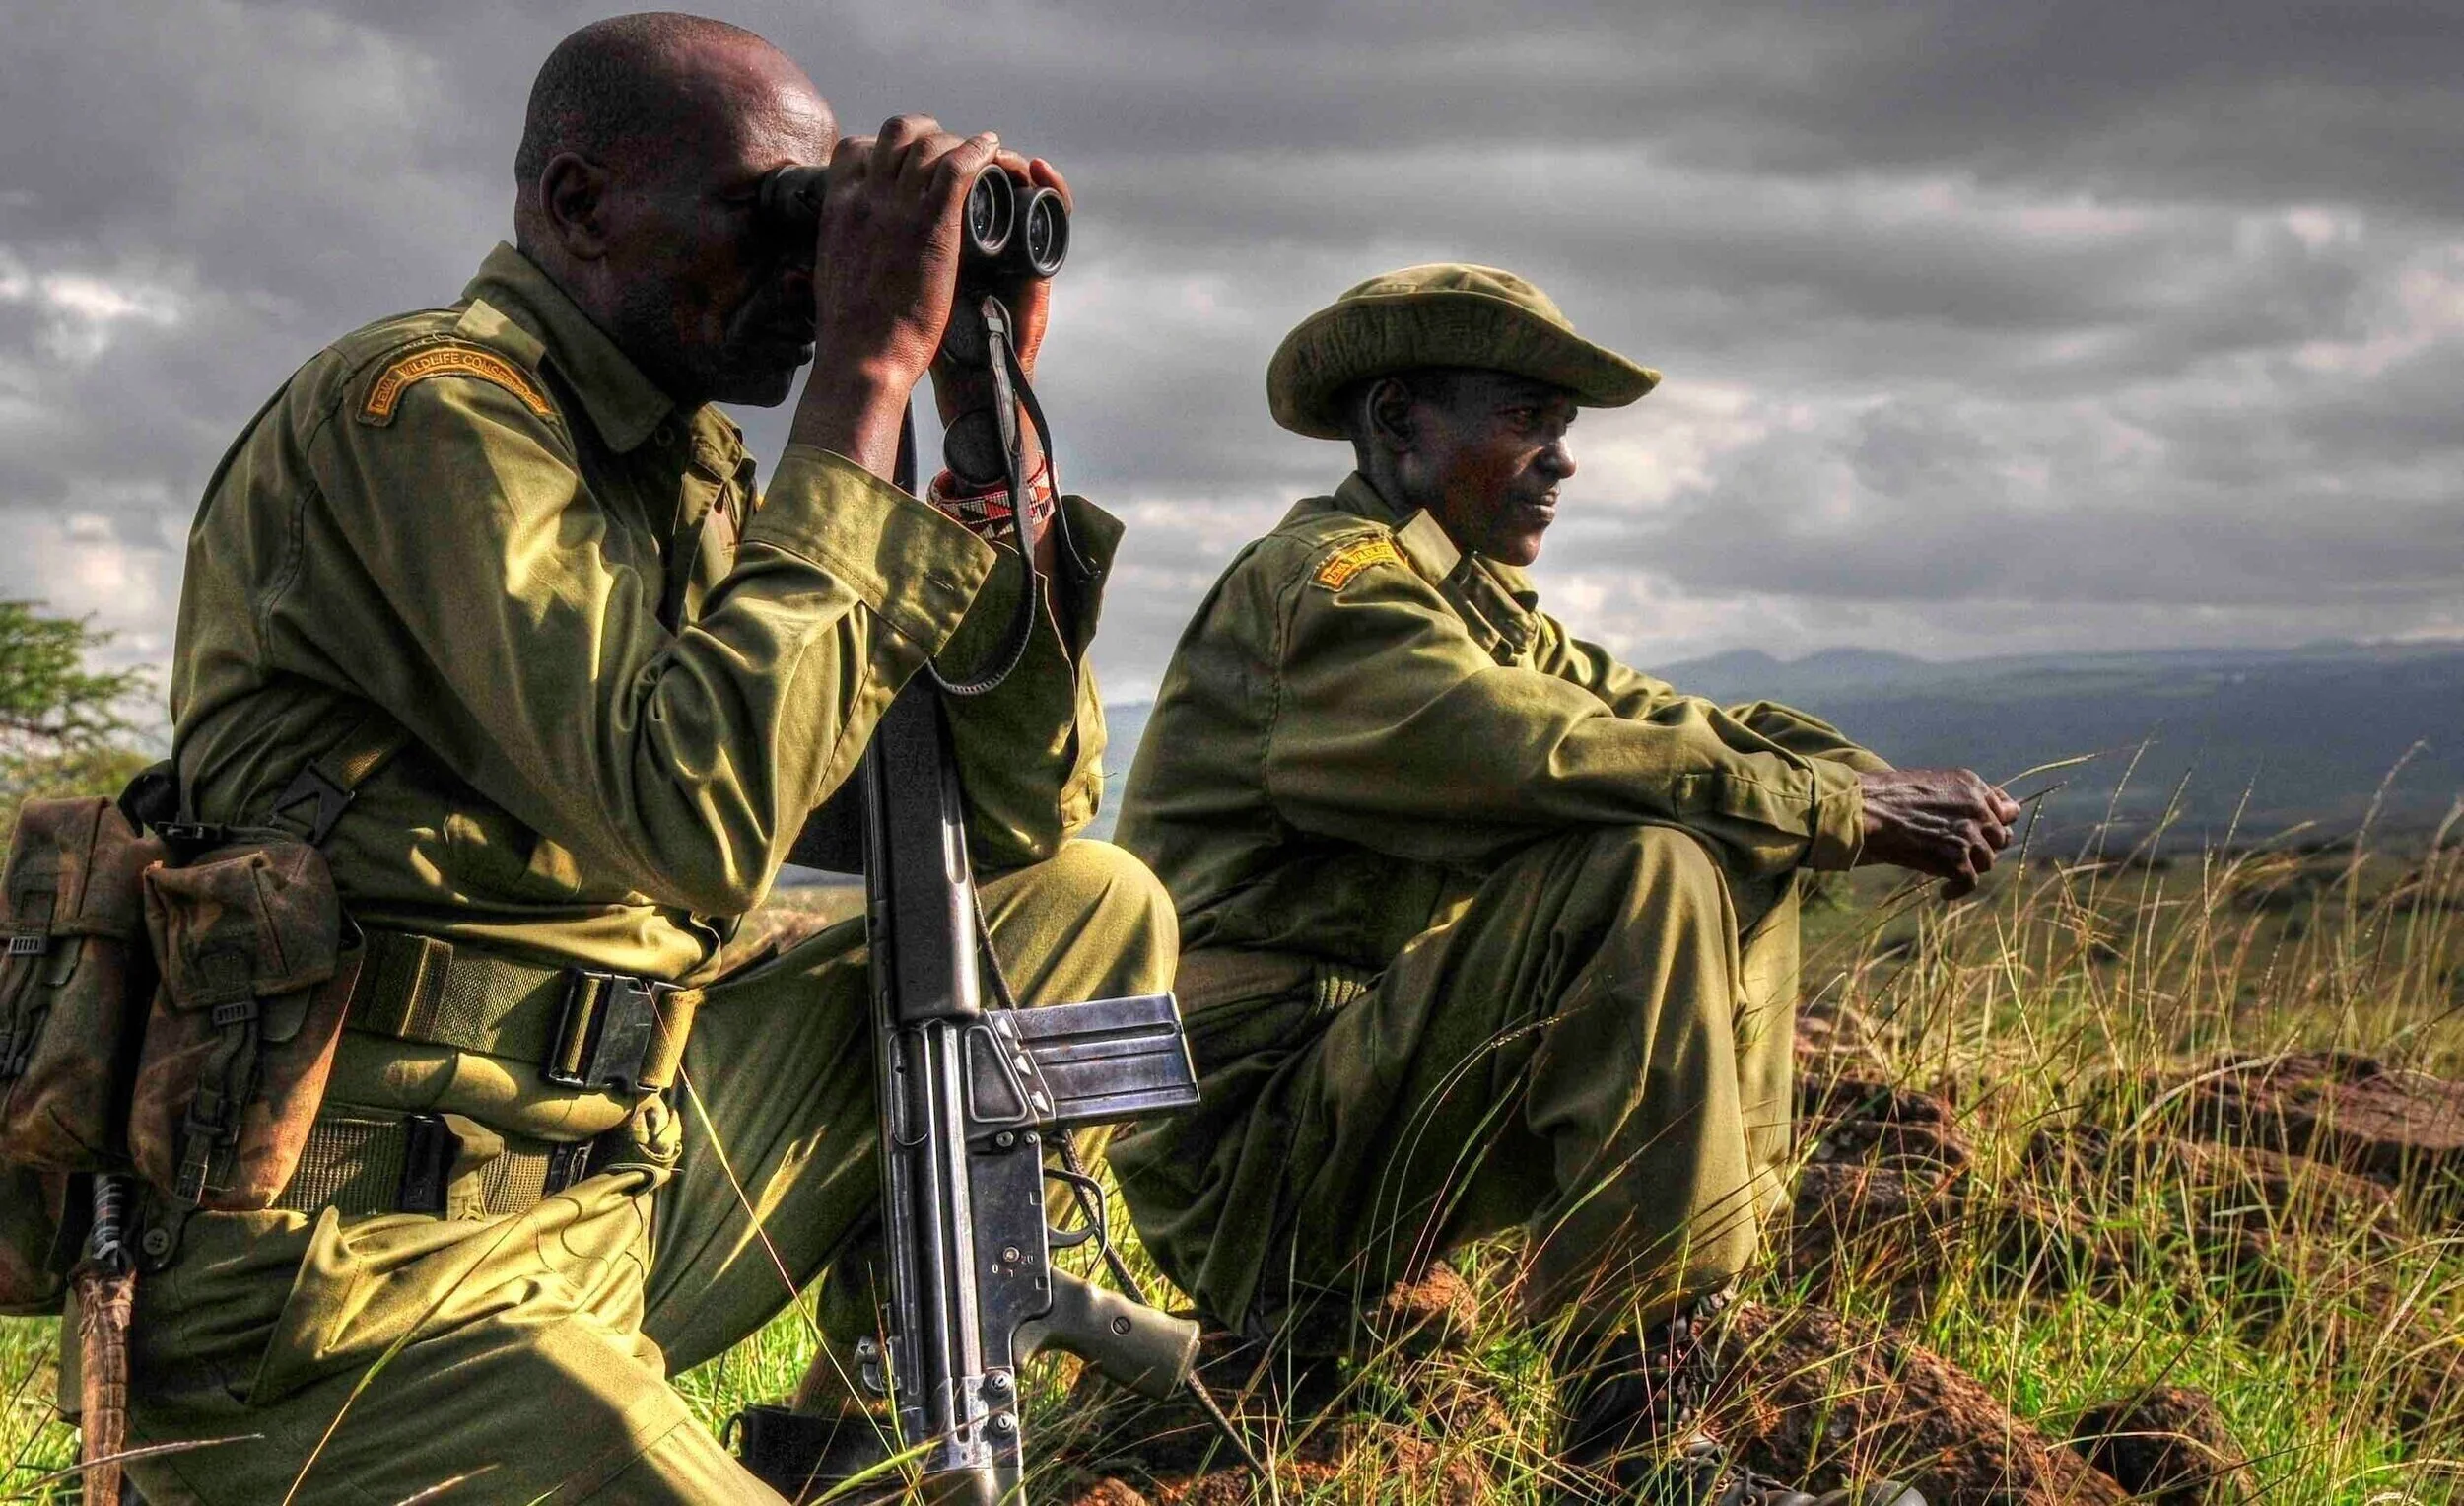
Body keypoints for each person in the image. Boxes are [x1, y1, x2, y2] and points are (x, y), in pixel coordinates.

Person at [124, 13, 1170, 1503]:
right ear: (578, 204)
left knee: (1088, 902)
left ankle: (874, 1427)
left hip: (611, 1198)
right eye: (772, 218)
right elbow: (688, 811)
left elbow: (1011, 813)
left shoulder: (697, 482)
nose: (811, 275)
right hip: (352, 1281)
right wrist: (863, 379)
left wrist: (984, 449)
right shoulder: (426, 414)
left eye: (829, 222)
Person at [1108, 264, 2020, 1505]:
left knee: (1714, 834)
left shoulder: (1464, 600)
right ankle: (1632, 1449)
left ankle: (1655, 1380)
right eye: (1525, 420)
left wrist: (1853, 783)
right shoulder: (1326, 591)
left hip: (1346, 1118)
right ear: (1396, 421)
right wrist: (1840, 813)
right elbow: (1539, 743)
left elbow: (1659, 716)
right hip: (1249, 1161)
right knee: (1641, 864)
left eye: (1563, 431)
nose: (1559, 461)